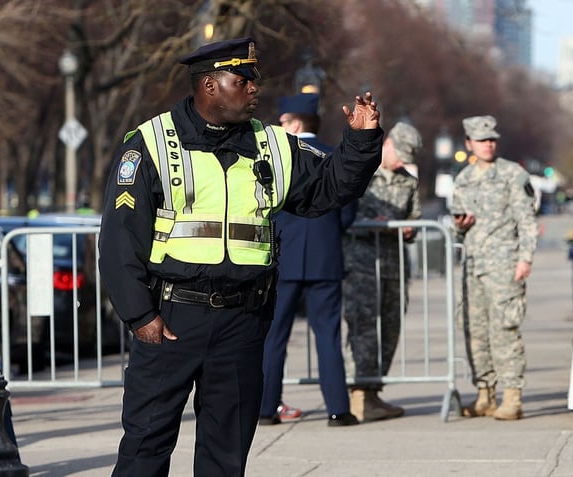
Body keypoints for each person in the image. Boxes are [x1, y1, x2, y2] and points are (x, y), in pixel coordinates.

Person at [99, 37, 383, 476]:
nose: (255, 89)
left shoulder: (274, 143)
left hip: (243, 322)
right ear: (210, 85)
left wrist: (360, 144)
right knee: (145, 447)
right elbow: (120, 239)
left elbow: (326, 190)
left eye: (255, 80)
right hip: (172, 318)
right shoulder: (150, 143)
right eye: (244, 79)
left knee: (226, 454)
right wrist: (140, 316)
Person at [259, 93, 359, 427]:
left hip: (283, 256)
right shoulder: (333, 156)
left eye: (283, 121)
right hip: (324, 255)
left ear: (295, 123)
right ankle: (337, 409)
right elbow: (347, 208)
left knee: (274, 336)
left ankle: (266, 407)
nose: (279, 126)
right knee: (328, 335)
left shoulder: (276, 158)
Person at [452, 115, 537, 421]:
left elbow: (527, 220)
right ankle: (484, 394)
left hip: (504, 263)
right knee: (475, 331)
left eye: (492, 139)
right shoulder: (463, 179)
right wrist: (459, 226)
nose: (488, 144)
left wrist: (525, 258)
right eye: (481, 140)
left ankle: (512, 395)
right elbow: (455, 225)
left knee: (505, 329)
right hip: (473, 264)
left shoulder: (512, 174)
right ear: (469, 143)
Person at [342, 121, 422, 422]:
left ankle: (374, 392)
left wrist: (410, 229)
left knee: (390, 328)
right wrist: (371, 221)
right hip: (361, 264)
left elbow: (413, 215)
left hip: (393, 265)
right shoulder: (363, 173)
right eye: (399, 154)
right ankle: (358, 393)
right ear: (387, 143)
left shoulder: (408, 182)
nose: (401, 162)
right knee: (363, 328)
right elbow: (346, 213)